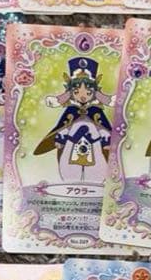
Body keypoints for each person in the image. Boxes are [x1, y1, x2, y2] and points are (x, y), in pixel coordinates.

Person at [34, 56, 113, 184]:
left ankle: (95, 181)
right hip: (72, 143)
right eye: (77, 92)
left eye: (88, 93)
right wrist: (60, 139)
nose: (83, 96)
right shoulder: (71, 111)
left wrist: (106, 141)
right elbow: (64, 127)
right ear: (71, 92)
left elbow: (102, 128)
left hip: (94, 144)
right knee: (69, 163)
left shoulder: (95, 111)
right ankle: (70, 180)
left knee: (96, 163)